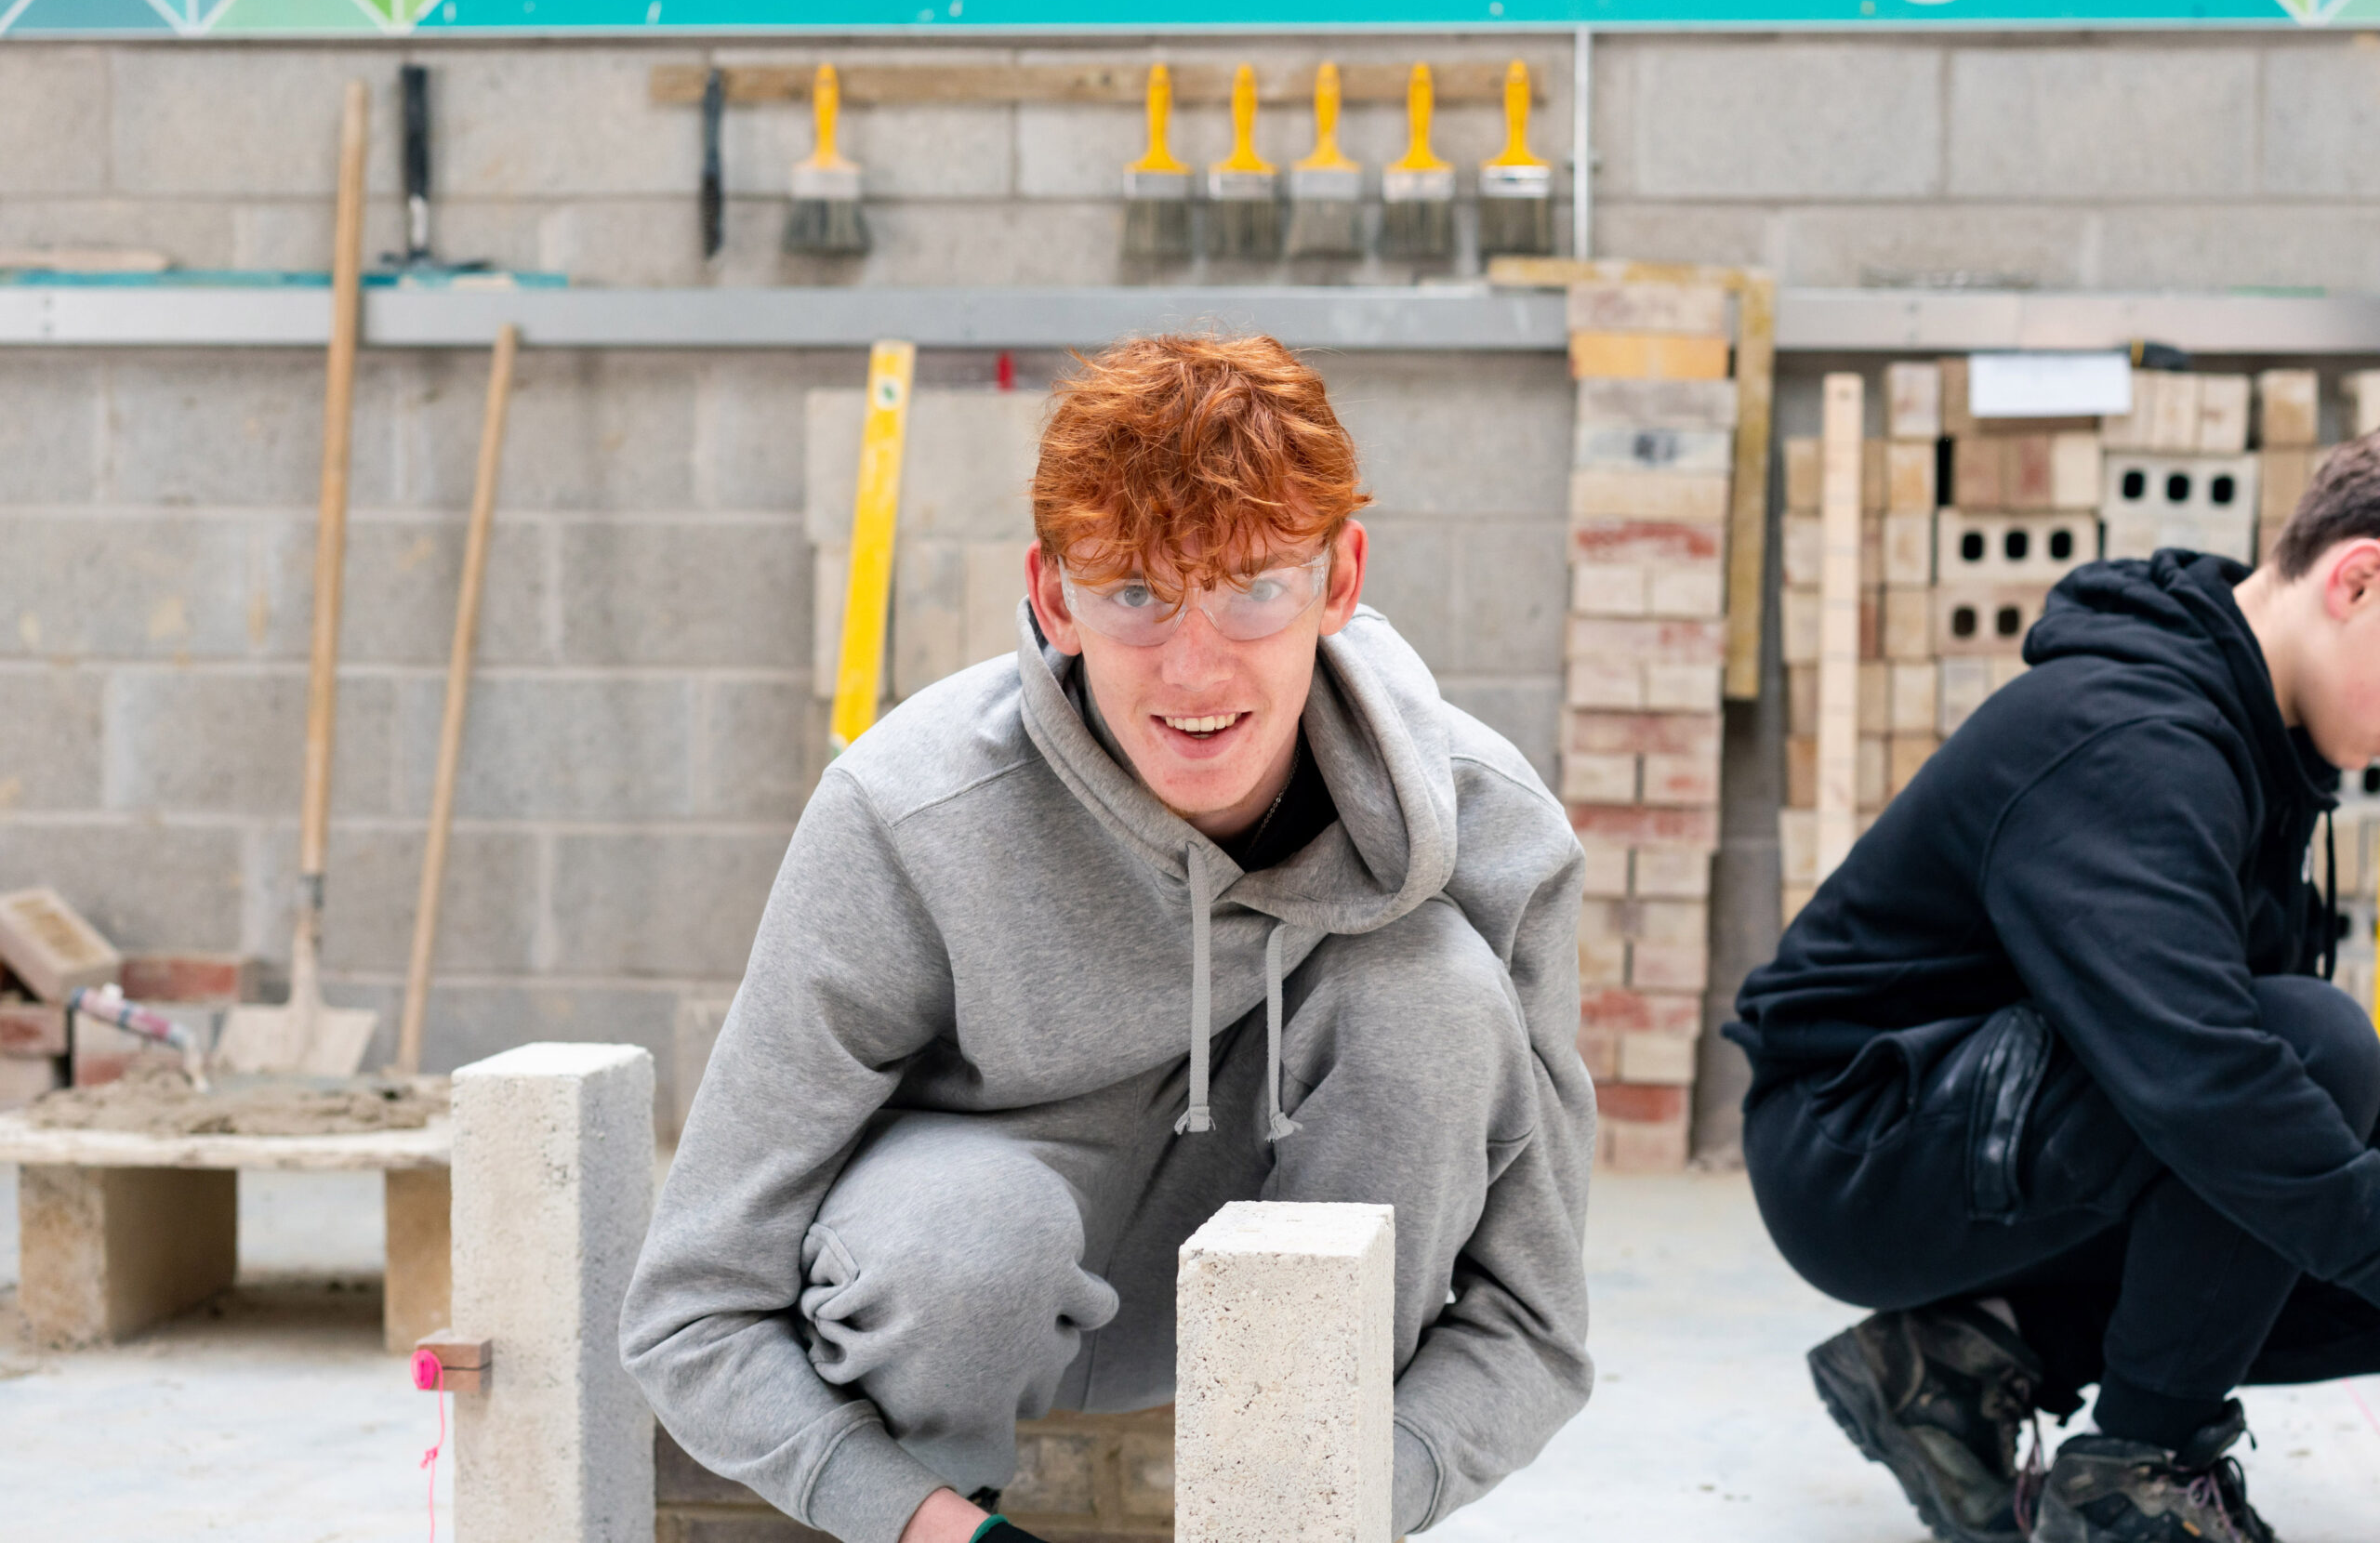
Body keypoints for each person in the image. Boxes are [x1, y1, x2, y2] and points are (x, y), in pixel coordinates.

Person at [621, 335, 1595, 1543]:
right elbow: (690, 1306)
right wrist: (923, 1523)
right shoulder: (905, 813)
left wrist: (1348, 1496)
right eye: (1135, 591)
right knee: (971, 1241)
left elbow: (1537, 1324)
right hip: (967, 1308)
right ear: (1052, 594)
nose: (1195, 664)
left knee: (1432, 984)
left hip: (1296, 1339)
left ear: (1340, 578)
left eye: (1253, 584)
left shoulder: (1493, 831)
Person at [1729, 434, 2380, 1543]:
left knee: (2327, 1136)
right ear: (2357, 579)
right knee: (2310, 1052)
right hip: (1854, 1141)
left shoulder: (2252, 746)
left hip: (1982, 1123)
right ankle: (2132, 1476)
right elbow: (2206, 1076)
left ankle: (1968, 1351)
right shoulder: (2130, 740)